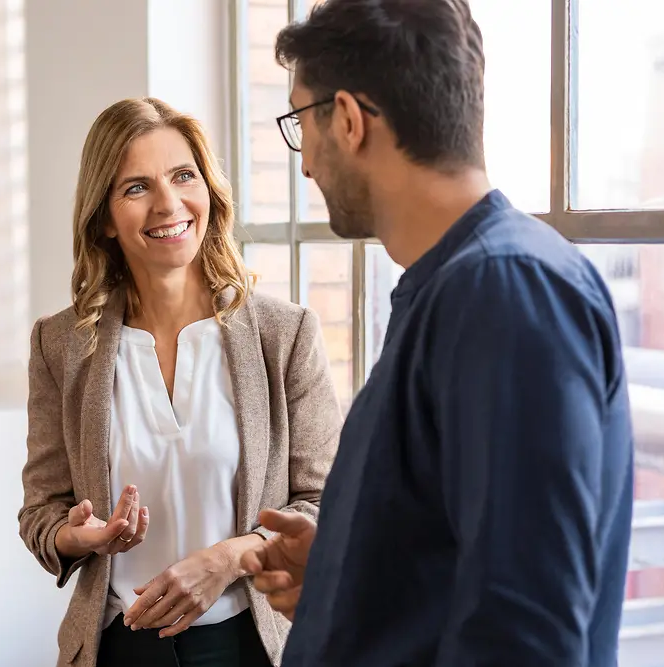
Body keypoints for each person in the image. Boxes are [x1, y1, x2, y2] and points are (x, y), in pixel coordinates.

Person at [241, 1, 635, 666]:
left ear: (348, 119)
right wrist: (347, 576)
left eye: (300, 122)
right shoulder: (459, 286)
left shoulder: (505, 292)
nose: (304, 164)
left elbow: (523, 633)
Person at [17, 97, 343, 667]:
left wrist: (228, 559)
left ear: (210, 191)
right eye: (136, 187)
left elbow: (327, 505)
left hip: (250, 645)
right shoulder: (60, 345)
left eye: (183, 176)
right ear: (104, 218)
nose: (168, 204)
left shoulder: (285, 335)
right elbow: (41, 511)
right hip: (119, 647)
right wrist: (76, 537)